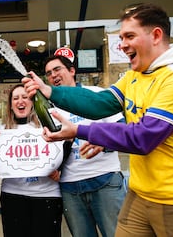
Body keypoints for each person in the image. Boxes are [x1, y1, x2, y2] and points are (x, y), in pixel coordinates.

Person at [23, 3, 173, 236]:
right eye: (121, 37)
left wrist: (79, 130)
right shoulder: (135, 75)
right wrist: (50, 91)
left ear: (156, 35)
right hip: (140, 194)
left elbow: (142, 137)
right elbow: (101, 103)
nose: (122, 45)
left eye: (129, 36)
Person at [44, 54, 126, 237]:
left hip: (105, 180)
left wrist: (103, 143)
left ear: (72, 71)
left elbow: (122, 129)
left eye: (57, 69)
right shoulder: (49, 106)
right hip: (70, 187)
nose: (53, 75)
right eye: (48, 73)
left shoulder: (95, 93)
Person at [0, 84, 64, 237]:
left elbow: (64, 149)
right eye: (15, 98)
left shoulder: (49, 125)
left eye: (25, 97)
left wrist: (59, 169)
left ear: (32, 101)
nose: (20, 101)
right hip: (13, 196)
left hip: (46, 195)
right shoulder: (2, 131)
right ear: (10, 105)